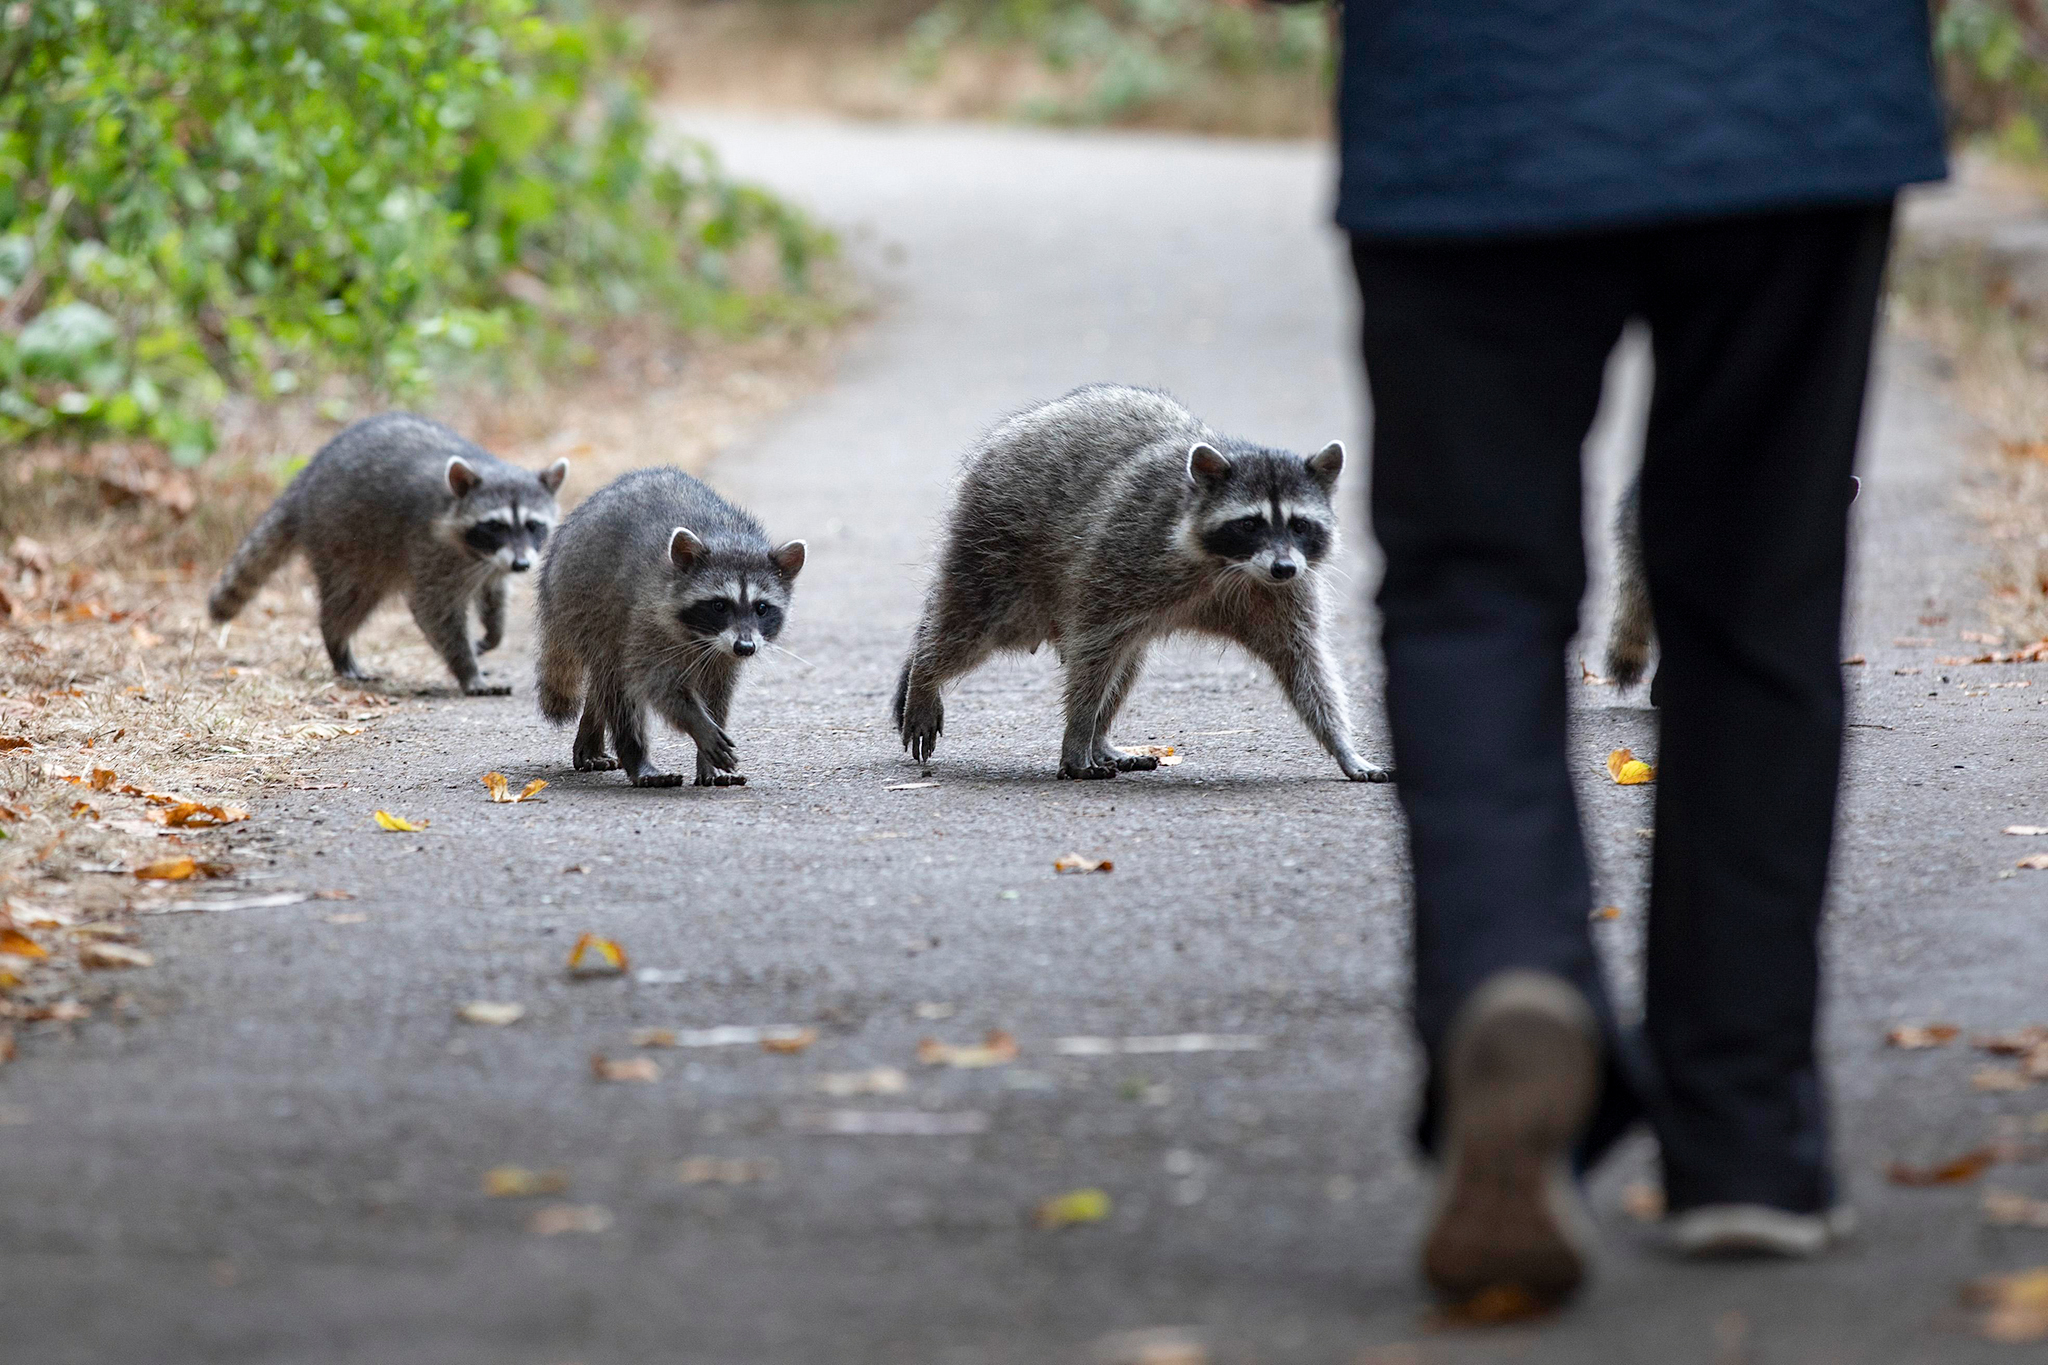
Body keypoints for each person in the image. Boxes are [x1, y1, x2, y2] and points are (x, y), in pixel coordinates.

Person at [1334, 2, 1948, 1303]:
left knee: (1471, 587)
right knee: (1758, 596)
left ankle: (1511, 968)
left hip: (1470, 92)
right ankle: (1746, 1141)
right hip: (1797, 87)